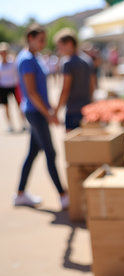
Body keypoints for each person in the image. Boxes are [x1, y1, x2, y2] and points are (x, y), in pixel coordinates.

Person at [14, 24, 69, 209]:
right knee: (50, 153)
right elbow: (31, 92)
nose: (44, 43)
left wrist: (50, 108)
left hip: (38, 111)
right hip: (35, 113)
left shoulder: (34, 57)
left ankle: (20, 194)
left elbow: (40, 90)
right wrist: (48, 115)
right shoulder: (26, 60)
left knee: (32, 153)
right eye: (41, 40)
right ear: (30, 38)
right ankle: (63, 195)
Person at [54, 28, 95, 131]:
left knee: (72, 145)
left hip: (72, 110)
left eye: (60, 47)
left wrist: (56, 111)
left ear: (69, 43)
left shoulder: (68, 63)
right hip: (86, 108)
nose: (59, 50)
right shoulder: (87, 60)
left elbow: (65, 89)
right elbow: (92, 86)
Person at [0, 42, 26, 132]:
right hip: (3, 87)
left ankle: (23, 123)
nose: (3, 54)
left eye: (4, 51)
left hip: (14, 86)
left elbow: (19, 74)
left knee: (20, 106)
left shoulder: (13, 62)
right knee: (6, 107)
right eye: (1, 52)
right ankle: (10, 125)